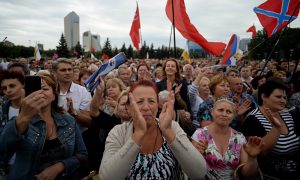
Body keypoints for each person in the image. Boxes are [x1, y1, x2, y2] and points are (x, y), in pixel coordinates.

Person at [99, 80, 207, 179]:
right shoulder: (118, 133)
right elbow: (106, 177)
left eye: (151, 101)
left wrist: (168, 132)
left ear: (157, 105)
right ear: (129, 107)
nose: (146, 107)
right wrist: (138, 134)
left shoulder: (172, 126)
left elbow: (199, 172)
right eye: (140, 102)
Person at [0, 74, 88, 179]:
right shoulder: (18, 122)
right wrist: (23, 118)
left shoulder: (69, 121)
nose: (39, 93)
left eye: (44, 89)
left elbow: (82, 154)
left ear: (54, 95)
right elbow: (2, 155)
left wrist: (61, 166)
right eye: (35, 89)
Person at [242, 79, 300, 179]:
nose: (283, 101)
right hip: (270, 175)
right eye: (278, 97)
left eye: (284, 97)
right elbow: (261, 151)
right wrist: (276, 128)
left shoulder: (289, 114)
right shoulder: (253, 119)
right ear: (264, 96)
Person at [192, 98, 264, 179]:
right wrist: (198, 154)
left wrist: (252, 158)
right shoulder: (199, 134)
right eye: (220, 110)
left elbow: (247, 174)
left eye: (229, 112)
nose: (224, 114)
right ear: (212, 112)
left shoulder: (239, 137)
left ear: (233, 116)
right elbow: (192, 167)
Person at [83, 78, 131, 172]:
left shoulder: (140, 124)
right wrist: (98, 92)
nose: (126, 108)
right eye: (108, 87)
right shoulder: (111, 119)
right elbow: (93, 112)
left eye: (113, 87)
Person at [52, 59, 92, 130]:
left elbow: (88, 122)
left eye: (70, 69)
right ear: (54, 73)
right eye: (63, 70)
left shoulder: (83, 91)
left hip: (79, 136)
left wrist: (73, 112)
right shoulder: (50, 91)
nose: (67, 72)